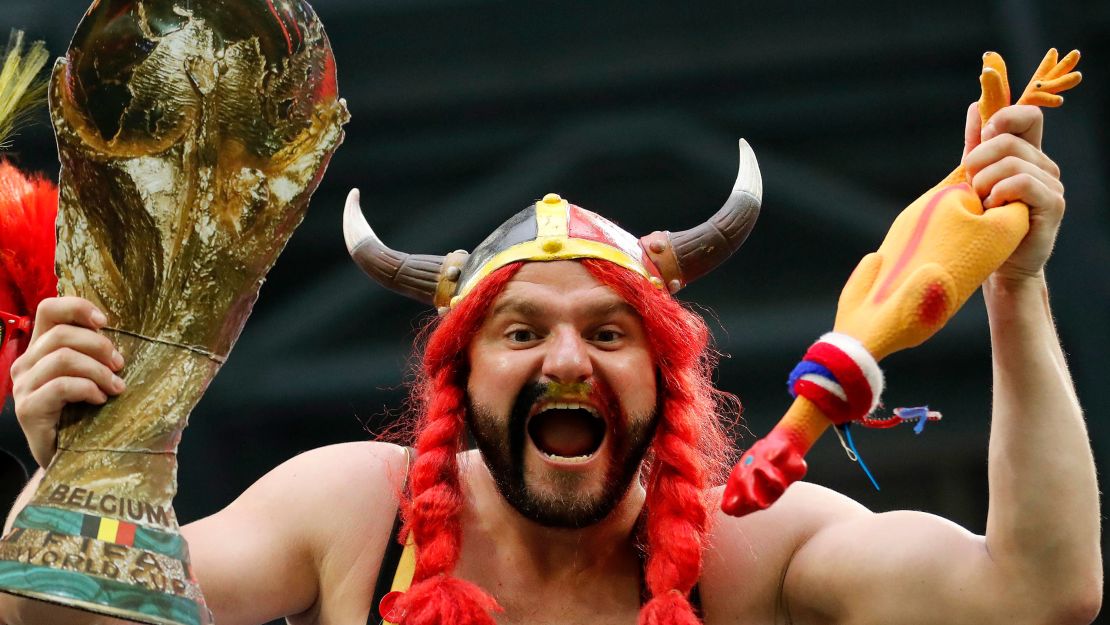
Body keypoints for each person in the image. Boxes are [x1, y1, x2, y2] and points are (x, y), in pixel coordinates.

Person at [0, 102, 1101, 625]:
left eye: (609, 332)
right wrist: (84, 462)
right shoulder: (353, 508)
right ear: (461, 382)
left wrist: (1016, 285)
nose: (567, 355)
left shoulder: (750, 541)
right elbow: (54, 617)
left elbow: (1038, 593)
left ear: (664, 374)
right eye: (521, 332)